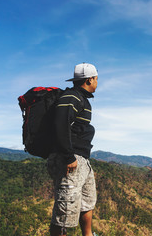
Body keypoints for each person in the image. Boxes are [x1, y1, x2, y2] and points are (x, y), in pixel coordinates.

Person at [47, 63, 98, 236]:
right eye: (96, 79)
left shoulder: (80, 98)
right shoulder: (72, 97)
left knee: (87, 202)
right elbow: (60, 124)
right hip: (70, 159)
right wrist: (68, 157)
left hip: (82, 160)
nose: (97, 82)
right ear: (89, 79)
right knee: (65, 210)